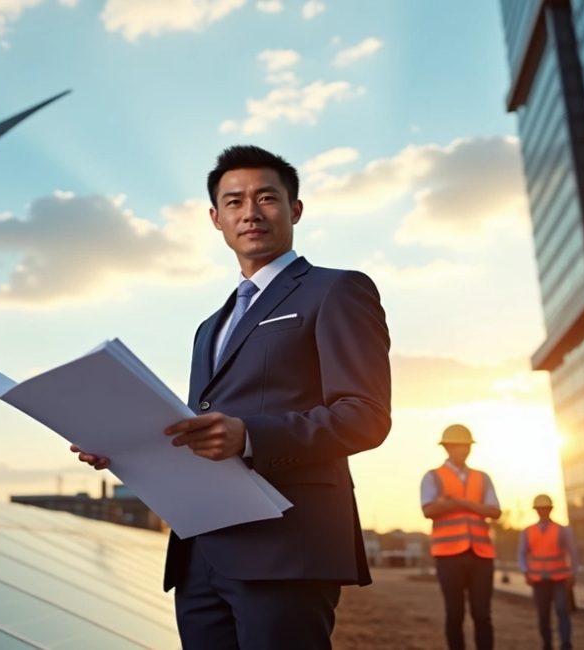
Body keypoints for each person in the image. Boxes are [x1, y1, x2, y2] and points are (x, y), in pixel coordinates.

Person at [73, 144, 392, 649]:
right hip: (199, 552)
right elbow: (194, 430)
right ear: (216, 218)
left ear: (296, 210)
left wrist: (250, 437)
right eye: (235, 201)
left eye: (266, 198)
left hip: (287, 546)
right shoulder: (208, 327)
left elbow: (365, 416)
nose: (251, 212)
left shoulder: (337, 291)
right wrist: (126, 449)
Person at [421, 424, 501, 650]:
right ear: (446, 447)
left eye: (466, 445)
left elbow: (495, 512)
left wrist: (456, 502)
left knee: (483, 615)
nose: (463, 450)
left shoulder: (482, 478)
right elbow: (428, 510)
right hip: (448, 556)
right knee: (455, 615)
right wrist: (474, 507)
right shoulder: (433, 477)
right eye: (458, 445)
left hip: (481, 555)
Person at [519, 493, 576, 650]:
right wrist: (525, 572)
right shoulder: (527, 531)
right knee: (543, 615)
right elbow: (522, 554)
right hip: (538, 580)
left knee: (562, 611)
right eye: (540, 508)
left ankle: (566, 644)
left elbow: (572, 552)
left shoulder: (562, 530)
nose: (543, 511)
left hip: (559, 578)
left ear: (550, 509)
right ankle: (547, 645)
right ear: (536, 510)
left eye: (545, 508)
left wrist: (572, 573)